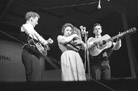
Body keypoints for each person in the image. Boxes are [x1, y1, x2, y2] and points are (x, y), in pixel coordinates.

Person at [20, 11, 53, 81]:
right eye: (36, 21)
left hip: (33, 54)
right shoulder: (26, 26)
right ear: (31, 19)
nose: (37, 23)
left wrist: (46, 42)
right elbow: (33, 34)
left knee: (36, 76)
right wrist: (44, 42)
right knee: (34, 78)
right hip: (30, 54)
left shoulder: (31, 30)